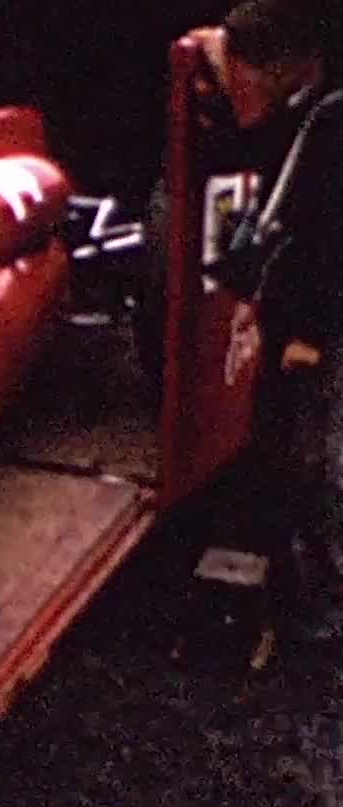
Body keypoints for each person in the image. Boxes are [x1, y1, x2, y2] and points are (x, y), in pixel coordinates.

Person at [200, 0, 343, 637]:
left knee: (315, 456)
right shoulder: (306, 112)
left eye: (242, 74)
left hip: (320, 321)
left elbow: (326, 240)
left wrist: (310, 335)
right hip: (298, 308)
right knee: (286, 441)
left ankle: (325, 599)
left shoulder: (330, 126)